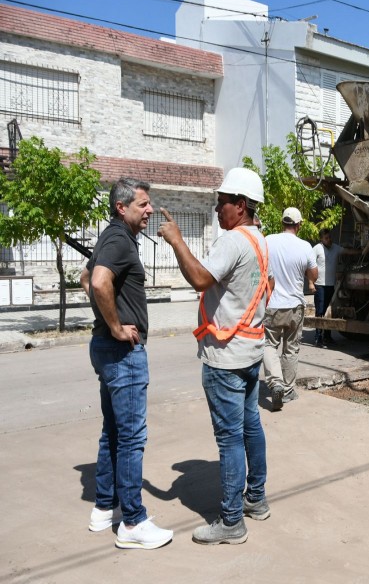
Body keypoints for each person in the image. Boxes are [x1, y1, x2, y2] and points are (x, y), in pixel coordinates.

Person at [158, 167, 272, 545]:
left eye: (221, 203)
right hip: (250, 351)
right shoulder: (259, 239)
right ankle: (255, 498)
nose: (217, 209)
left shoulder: (233, 241)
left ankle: (231, 521)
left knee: (229, 439)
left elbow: (200, 279)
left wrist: (177, 241)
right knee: (250, 426)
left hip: (226, 356)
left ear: (240, 205)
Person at [80, 178, 173, 550]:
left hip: (104, 348)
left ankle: (104, 508)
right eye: (143, 204)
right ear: (122, 207)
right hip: (121, 352)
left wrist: (107, 320)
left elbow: (87, 276)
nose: (149, 210)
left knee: (114, 432)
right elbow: (99, 281)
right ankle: (132, 521)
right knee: (131, 437)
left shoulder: (110, 236)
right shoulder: (119, 240)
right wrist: (117, 326)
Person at [262, 207, 318, 411]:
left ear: (282, 222)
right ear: (299, 225)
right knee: (291, 348)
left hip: (272, 305)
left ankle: (275, 382)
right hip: (295, 305)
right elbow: (314, 275)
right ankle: (287, 390)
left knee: (268, 345)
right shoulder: (305, 246)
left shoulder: (268, 241)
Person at [312, 228, 344, 347]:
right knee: (320, 311)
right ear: (321, 239)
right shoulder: (317, 249)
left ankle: (327, 336)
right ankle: (318, 337)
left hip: (331, 285)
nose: (329, 239)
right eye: (326, 238)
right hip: (320, 285)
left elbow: (346, 252)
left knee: (328, 312)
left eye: (330, 237)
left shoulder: (335, 248)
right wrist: (311, 282)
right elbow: (309, 264)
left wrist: (361, 251)